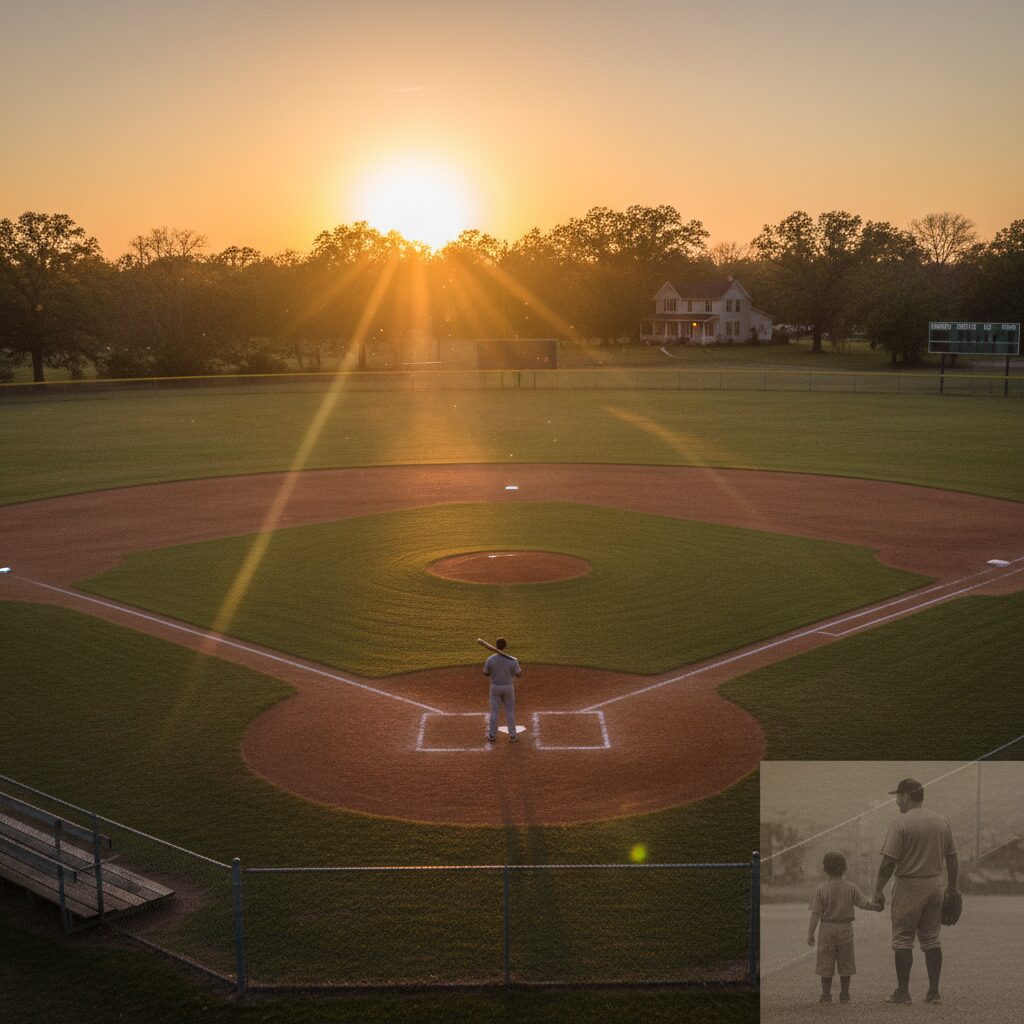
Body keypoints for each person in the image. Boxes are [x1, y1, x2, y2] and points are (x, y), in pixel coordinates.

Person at [873, 778, 958, 1005]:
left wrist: (878, 889)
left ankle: (903, 992)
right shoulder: (941, 821)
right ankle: (933, 993)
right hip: (935, 885)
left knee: (902, 939)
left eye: (898, 798)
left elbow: (889, 862)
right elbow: (952, 858)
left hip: (908, 885)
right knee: (932, 940)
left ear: (905, 796)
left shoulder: (901, 822)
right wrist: (952, 887)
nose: (897, 802)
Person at [807, 851, 883, 1004]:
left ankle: (826, 995)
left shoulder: (821, 889)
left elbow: (816, 913)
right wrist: (878, 906)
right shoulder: (851, 888)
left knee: (825, 961)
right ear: (844, 868)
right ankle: (845, 993)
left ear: (825, 869)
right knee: (846, 961)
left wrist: (810, 933)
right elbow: (864, 904)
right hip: (845, 929)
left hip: (827, 928)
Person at [483, 637, 521, 742]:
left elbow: (486, 673)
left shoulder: (490, 659)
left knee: (494, 712)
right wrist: (515, 666)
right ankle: (513, 735)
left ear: (496, 646)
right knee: (510, 711)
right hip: (508, 687)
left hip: (495, 688)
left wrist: (494, 671)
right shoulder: (513, 660)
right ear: (505, 646)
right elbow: (519, 674)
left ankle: (492, 735)